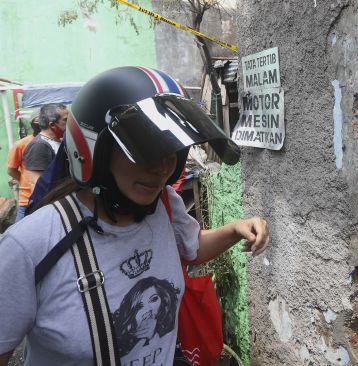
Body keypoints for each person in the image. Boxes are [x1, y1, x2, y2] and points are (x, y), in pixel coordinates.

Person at [0, 66, 269, 366]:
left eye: (172, 150)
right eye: (142, 149)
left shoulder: (164, 204)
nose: (162, 167)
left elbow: (191, 247)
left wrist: (234, 229)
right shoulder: (29, 245)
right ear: (93, 153)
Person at [6, 110, 42, 221]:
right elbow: (11, 169)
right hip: (27, 198)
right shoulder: (21, 144)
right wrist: (23, 180)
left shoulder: (56, 142)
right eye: (36, 120)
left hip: (50, 197)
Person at [22, 103, 68, 179]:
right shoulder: (39, 145)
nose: (70, 123)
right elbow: (36, 183)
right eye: (65, 120)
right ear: (52, 125)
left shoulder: (61, 140)